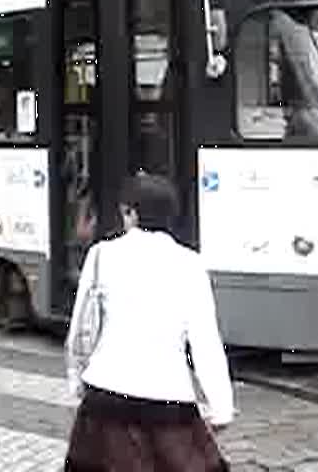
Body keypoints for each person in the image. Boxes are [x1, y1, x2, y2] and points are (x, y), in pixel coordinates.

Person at [64, 174, 235, 471]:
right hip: (169, 399)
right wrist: (220, 408)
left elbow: (83, 328)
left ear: (129, 212)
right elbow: (205, 341)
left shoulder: (101, 255)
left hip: (106, 394)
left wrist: (77, 377)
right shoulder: (191, 263)